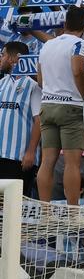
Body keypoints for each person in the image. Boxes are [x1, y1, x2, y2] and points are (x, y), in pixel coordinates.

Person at [35, 5, 84, 206]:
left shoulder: (47, 45)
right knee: (72, 163)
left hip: (47, 105)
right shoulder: (79, 44)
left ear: (64, 24)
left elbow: (40, 80)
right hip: (71, 106)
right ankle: (73, 212)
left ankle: (45, 211)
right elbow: (77, 72)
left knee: (47, 161)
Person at [0, 42, 40, 189]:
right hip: (1, 154)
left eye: (3, 55)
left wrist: (31, 152)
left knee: (15, 205)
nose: (1, 58)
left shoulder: (33, 86)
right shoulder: (2, 83)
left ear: (13, 59)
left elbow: (39, 120)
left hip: (19, 158)